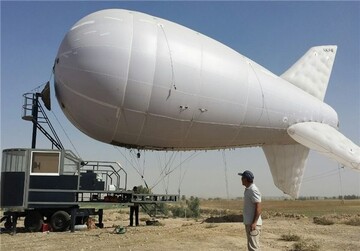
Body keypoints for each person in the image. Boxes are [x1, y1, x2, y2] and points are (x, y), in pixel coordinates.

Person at [238, 170, 262, 251]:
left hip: (253, 224)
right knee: (251, 247)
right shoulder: (248, 189)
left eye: (242, 178)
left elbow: (258, 207)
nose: (241, 179)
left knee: (254, 248)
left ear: (246, 179)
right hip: (249, 223)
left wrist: (254, 223)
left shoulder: (253, 190)